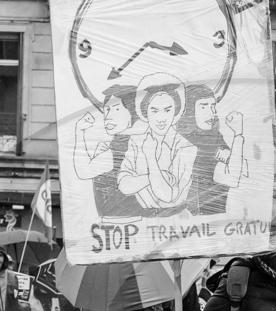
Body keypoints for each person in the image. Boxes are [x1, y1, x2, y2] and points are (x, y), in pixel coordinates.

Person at [117, 76, 197, 214]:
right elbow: (124, 186)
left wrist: (150, 157)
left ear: (176, 111)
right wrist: (158, 177)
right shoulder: (136, 141)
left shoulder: (186, 147)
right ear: (145, 112)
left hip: (178, 220)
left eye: (167, 110)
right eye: (154, 111)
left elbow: (168, 196)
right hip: (144, 219)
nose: (161, 119)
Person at [73, 86, 144, 220]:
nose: (108, 117)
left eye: (117, 109)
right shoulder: (124, 139)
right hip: (122, 222)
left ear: (132, 112)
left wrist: (79, 131)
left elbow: (84, 171)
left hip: (123, 221)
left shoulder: (123, 144)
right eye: (107, 109)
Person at [180, 85, 246, 216]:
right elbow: (232, 177)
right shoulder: (185, 141)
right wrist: (238, 134)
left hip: (214, 219)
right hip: (195, 219)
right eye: (203, 106)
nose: (211, 112)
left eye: (212, 106)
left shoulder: (215, 138)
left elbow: (243, 169)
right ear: (189, 110)